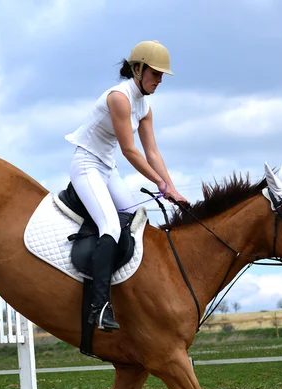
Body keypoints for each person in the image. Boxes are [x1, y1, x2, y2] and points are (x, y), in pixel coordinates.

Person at [65, 40, 188, 332]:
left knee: (136, 223)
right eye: (155, 73)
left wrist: (173, 189)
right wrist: (159, 183)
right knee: (111, 226)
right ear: (137, 68)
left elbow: (152, 152)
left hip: (107, 170)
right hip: (87, 166)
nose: (159, 80)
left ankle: (130, 296)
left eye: (161, 75)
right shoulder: (119, 98)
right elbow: (130, 151)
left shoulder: (144, 106)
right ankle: (99, 307)